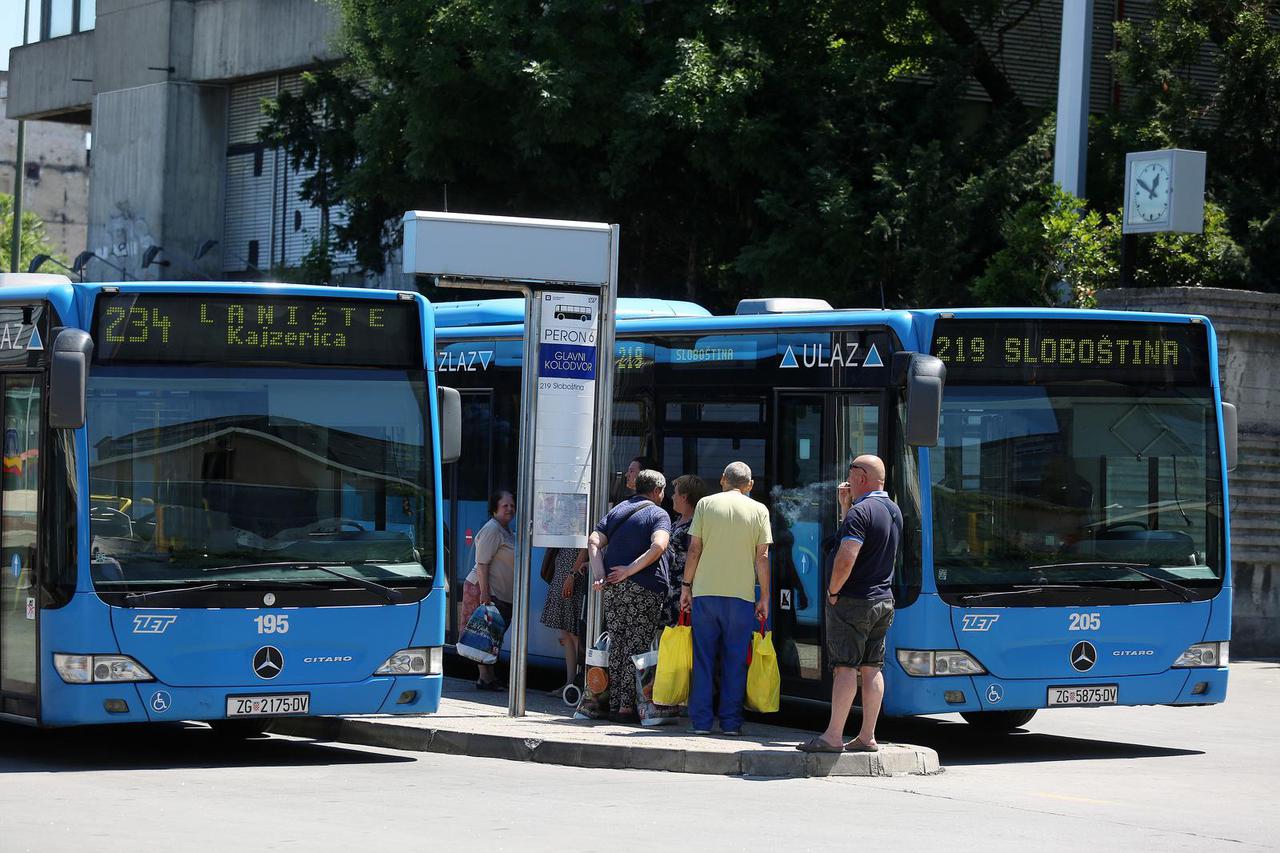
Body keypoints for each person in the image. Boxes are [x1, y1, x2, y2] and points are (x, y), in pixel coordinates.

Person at [798, 455, 901, 754]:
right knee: (872, 668)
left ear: (860, 477)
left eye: (851, 474)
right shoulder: (892, 510)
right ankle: (867, 736)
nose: (847, 480)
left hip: (853, 600)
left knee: (844, 668)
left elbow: (848, 555)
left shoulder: (861, 512)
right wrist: (846, 508)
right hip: (883, 600)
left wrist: (832, 590)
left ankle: (832, 737)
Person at [679, 461, 772, 736]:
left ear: (722, 480)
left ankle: (701, 723)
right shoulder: (759, 510)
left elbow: (694, 550)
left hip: (706, 594)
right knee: (735, 661)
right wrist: (764, 596)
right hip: (741, 597)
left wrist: (686, 586)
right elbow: (763, 557)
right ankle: (731, 723)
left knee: (704, 659)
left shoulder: (706, 505)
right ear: (750, 485)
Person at [588, 469, 671, 722]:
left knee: (618, 644)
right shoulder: (658, 514)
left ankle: (614, 704)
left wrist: (600, 575)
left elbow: (593, 541)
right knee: (637, 646)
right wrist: (628, 571)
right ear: (657, 491)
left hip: (613, 588)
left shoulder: (618, 510)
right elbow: (659, 545)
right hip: (643, 587)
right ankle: (628, 707)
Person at [459, 489, 516, 691]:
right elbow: (482, 563)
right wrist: (485, 593)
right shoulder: (492, 529)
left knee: (493, 634)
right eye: (505, 506)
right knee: (485, 634)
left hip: (499, 592)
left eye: (511, 505)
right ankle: (485, 678)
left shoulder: (506, 530)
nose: (509, 509)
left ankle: (489, 677)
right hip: (485, 590)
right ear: (494, 509)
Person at [539, 547, 587, 695]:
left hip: (573, 574)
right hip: (562, 573)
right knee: (566, 632)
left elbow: (585, 548)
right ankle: (570, 683)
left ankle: (579, 682)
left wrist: (572, 575)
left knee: (574, 632)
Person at [662, 474, 708, 626]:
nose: (672, 496)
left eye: (675, 492)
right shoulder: (678, 521)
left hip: (683, 592)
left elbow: (694, 555)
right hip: (670, 590)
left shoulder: (695, 525)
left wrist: (686, 588)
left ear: (684, 497)